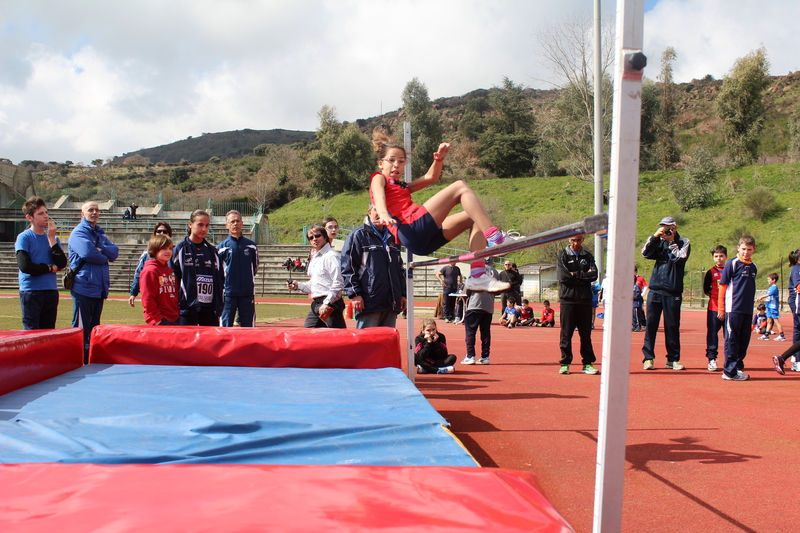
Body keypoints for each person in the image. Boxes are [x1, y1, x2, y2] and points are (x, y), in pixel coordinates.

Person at [369, 128, 510, 294]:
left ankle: (477, 274)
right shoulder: (378, 178)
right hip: (410, 227)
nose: (396, 165)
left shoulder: (402, 186)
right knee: (459, 186)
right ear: (380, 163)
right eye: (391, 160)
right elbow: (378, 196)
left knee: (473, 218)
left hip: (419, 242)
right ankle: (495, 238)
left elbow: (430, 178)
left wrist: (439, 158)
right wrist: (383, 213)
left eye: (401, 161)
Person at [340, 204, 407, 328]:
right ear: (369, 211)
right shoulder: (358, 235)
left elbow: (399, 268)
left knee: (386, 343)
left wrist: (402, 294)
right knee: (366, 343)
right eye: (376, 209)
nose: (379, 213)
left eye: (384, 210)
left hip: (391, 302)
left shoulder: (393, 237)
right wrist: (355, 294)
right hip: (369, 302)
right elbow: (348, 267)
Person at [68, 201, 119, 361]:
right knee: (81, 328)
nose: (94, 212)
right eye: (90, 210)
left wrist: (102, 250)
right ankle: (77, 360)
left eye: (97, 210)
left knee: (95, 328)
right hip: (84, 287)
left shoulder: (100, 235)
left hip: (99, 289)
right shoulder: (78, 233)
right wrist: (104, 255)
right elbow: (89, 254)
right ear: (82, 214)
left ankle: (90, 358)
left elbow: (115, 252)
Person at [641, 216, 691, 370]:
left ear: (675, 227)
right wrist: (655, 237)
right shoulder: (659, 241)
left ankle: (673, 359)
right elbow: (645, 253)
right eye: (663, 227)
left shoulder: (684, 242)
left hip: (672, 291)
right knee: (651, 326)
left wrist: (671, 242)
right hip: (655, 290)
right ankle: (648, 358)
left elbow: (679, 259)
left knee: (672, 326)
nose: (666, 230)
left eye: (668, 227)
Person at [15, 196, 67, 330]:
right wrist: (49, 269)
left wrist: (51, 238)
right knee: (32, 331)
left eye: (46, 212)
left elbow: (61, 263)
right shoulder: (24, 237)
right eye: (40, 213)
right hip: (31, 290)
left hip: (50, 290)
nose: (46, 216)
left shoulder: (52, 238)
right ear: (30, 218)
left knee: (48, 331)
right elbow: (25, 266)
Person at [171, 210, 224, 326]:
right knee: (185, 342)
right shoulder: (180, 250)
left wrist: (218, 304)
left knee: (210, 342)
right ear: (190, 224)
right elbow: (173, 279)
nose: (204, 229)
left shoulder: (213, 251)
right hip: (187, 307)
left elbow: (220, 279)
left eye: (207, 225)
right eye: (200, 224)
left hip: (209, 308)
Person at [287, 224, 346, 328]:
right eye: (311, 237)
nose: (314, 239)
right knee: (308, 335)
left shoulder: (331, 256)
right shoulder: (316, 257)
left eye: (317, 235)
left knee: (338, 337)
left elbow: (339, 282)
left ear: (324, 236)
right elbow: (315, 284)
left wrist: (327, 303)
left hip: (330, 303)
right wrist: (298, 285)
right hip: (317, 303)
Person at [557, 235, 599, 375]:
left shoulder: (588, 256)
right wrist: (583, 276)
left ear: (583, 239)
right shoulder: (562, 256)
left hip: (584, 300)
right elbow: (563, 277)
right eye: (573, 240)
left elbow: (594, 275)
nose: (576, 243)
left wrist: (574, 275)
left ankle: (587, 363)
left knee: (585, 334)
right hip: (568, 300)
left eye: (579, 240)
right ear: (569, 239)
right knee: (566, 334)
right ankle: (565, 363)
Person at [718, 235, 757, 381]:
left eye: (749, 249)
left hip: (747, 310)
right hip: (733, 309)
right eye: (743, 249)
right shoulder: (732, 264)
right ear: (738, 248)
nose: (746, 252)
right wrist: (721, 309)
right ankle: (728, 371)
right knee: (732, 340)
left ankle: (737, 367)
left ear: (754, 250)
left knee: (743, 340)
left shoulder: (754, 266)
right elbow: (723, 286)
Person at [217, 210, 259, 327]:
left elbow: (255, 267)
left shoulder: (251, 246)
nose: (235, 224)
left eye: (237, 221)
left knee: (248, 327)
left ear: (242, 223)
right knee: (225, 326)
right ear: (227, 225)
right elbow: (219, 271)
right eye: (232, 221)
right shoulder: (221, 248)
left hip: (247, 292)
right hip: (228, 293)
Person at [129, 222, 173, 307]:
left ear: (169, 234)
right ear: (154, 233)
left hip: (169, 294)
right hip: (153, 293)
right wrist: (133, 292)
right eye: (159, 231)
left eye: (165, 231)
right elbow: (139, 272)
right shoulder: (147, 253)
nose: (162, 234)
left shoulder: (174, 252)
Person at [462, 265, 499, 365]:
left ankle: (470, 356)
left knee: (470, 331)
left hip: (475, 304)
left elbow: (468, 288)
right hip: (489, 306)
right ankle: (485, 356)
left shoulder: (475, 268)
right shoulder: (494, 271)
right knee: (485, 332)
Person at [140, 234, 180, 326]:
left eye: (170, 248)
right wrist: (157, 319)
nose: (168, 251)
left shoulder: (170, 270)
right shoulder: (150, 271)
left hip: (174, 317)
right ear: (154, 250)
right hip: (160, 319)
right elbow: (147, 298)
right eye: (164, 249)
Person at [703, 245, 727, 371]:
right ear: (713, 258)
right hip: (714, 308)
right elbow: (706, 289)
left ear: (726, 257)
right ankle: (712, 359)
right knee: (712, 333)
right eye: (716, 256)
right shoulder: (710, 272)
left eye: (721, 256)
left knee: (729, 334)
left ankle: (730, 359)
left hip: (728, 309)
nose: (719, 259)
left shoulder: (731, 271)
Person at [755, 273, 786, 341]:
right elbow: (766, 294)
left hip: (773, 307)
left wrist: (760, 298)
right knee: (769, 321)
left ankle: (782, 335)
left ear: (774, 280)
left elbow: (768, 295)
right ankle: (766, 335)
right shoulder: (770, 287)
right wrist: (758, 299)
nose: (768, 281)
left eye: (769, 279)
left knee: (776, 320)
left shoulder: (774, 287)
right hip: (769, 306)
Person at [788, 249, 800, 344]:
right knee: (798, 328)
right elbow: (798, 286)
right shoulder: (797, 269)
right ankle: (796, 355)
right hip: (796, 301)